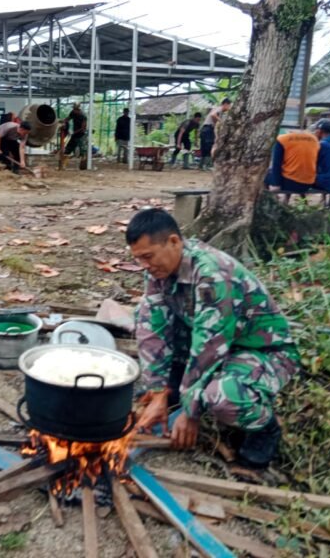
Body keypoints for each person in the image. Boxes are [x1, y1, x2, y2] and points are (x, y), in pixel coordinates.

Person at [129, 208, 299, 470]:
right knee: (144, 313)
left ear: (174, 242)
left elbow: (209, 346)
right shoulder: (158, 271)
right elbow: (154, 330)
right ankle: (179, 390)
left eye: (148, 256)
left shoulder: (213, 274)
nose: (145, 265)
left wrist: (191, 412)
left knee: (221, 398)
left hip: (262, 351)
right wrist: (158, 392)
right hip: (216, 346)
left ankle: (265, 429)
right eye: (139, 258)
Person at [264, 129, 319, 198]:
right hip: (308, 184)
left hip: (290, 184)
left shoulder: (282, 139)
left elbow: (276, 164)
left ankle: (272, 198)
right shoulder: (314, 139)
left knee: (264, 175)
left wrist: (276, 184)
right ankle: (290, 200)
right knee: (291, 171)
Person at [199, 99, 231, 169]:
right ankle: (207, 165)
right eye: (229, 106)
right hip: (208, 128)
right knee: (209, 146)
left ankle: (202, 165)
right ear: (225, 104)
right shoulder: (219, 109)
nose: (229, 108)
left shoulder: (219, 111)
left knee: (204, 147)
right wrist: (221, 121)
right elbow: (213, 115)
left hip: (205, 129)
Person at [63, 103, 88, 169]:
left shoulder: (83, 116)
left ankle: (83, 166)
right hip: (75, 134)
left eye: (75, 109)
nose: (74, 110)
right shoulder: (73, 113)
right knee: (68, 149)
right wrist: (63, 121)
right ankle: (63, 165)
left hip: (81, 135)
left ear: (78, 109)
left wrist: (74, 132)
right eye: (73, 109)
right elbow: (68, 118)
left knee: (83, 151)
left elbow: (83, 128)